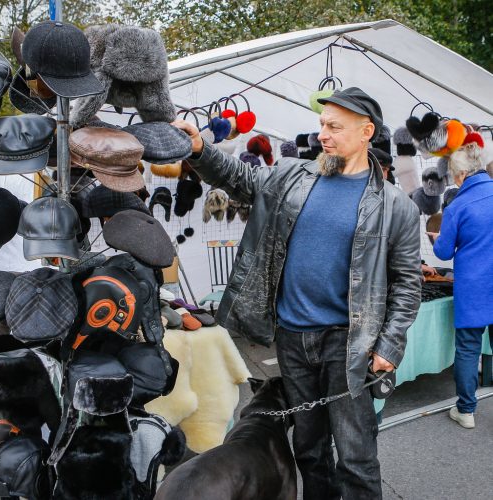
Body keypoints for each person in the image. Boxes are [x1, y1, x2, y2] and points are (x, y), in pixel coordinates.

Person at [172, 87, 422, 500]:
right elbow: (240, 178)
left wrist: (390, 345)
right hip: (291, 336)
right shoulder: (294, 176)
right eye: (322, 124)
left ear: (366, 132)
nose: (323, 134)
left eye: (334, 126)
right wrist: (199, 148)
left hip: (350, 343)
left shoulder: (396, 206)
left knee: (356, 456)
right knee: (309, 449)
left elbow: (407, 283)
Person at [428, 141, 493, 429]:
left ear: (461, 174)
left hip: (473, 288)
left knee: (468, 348)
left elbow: (442, 253)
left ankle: (466, 411)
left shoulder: (459, 206)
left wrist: (436, 237)